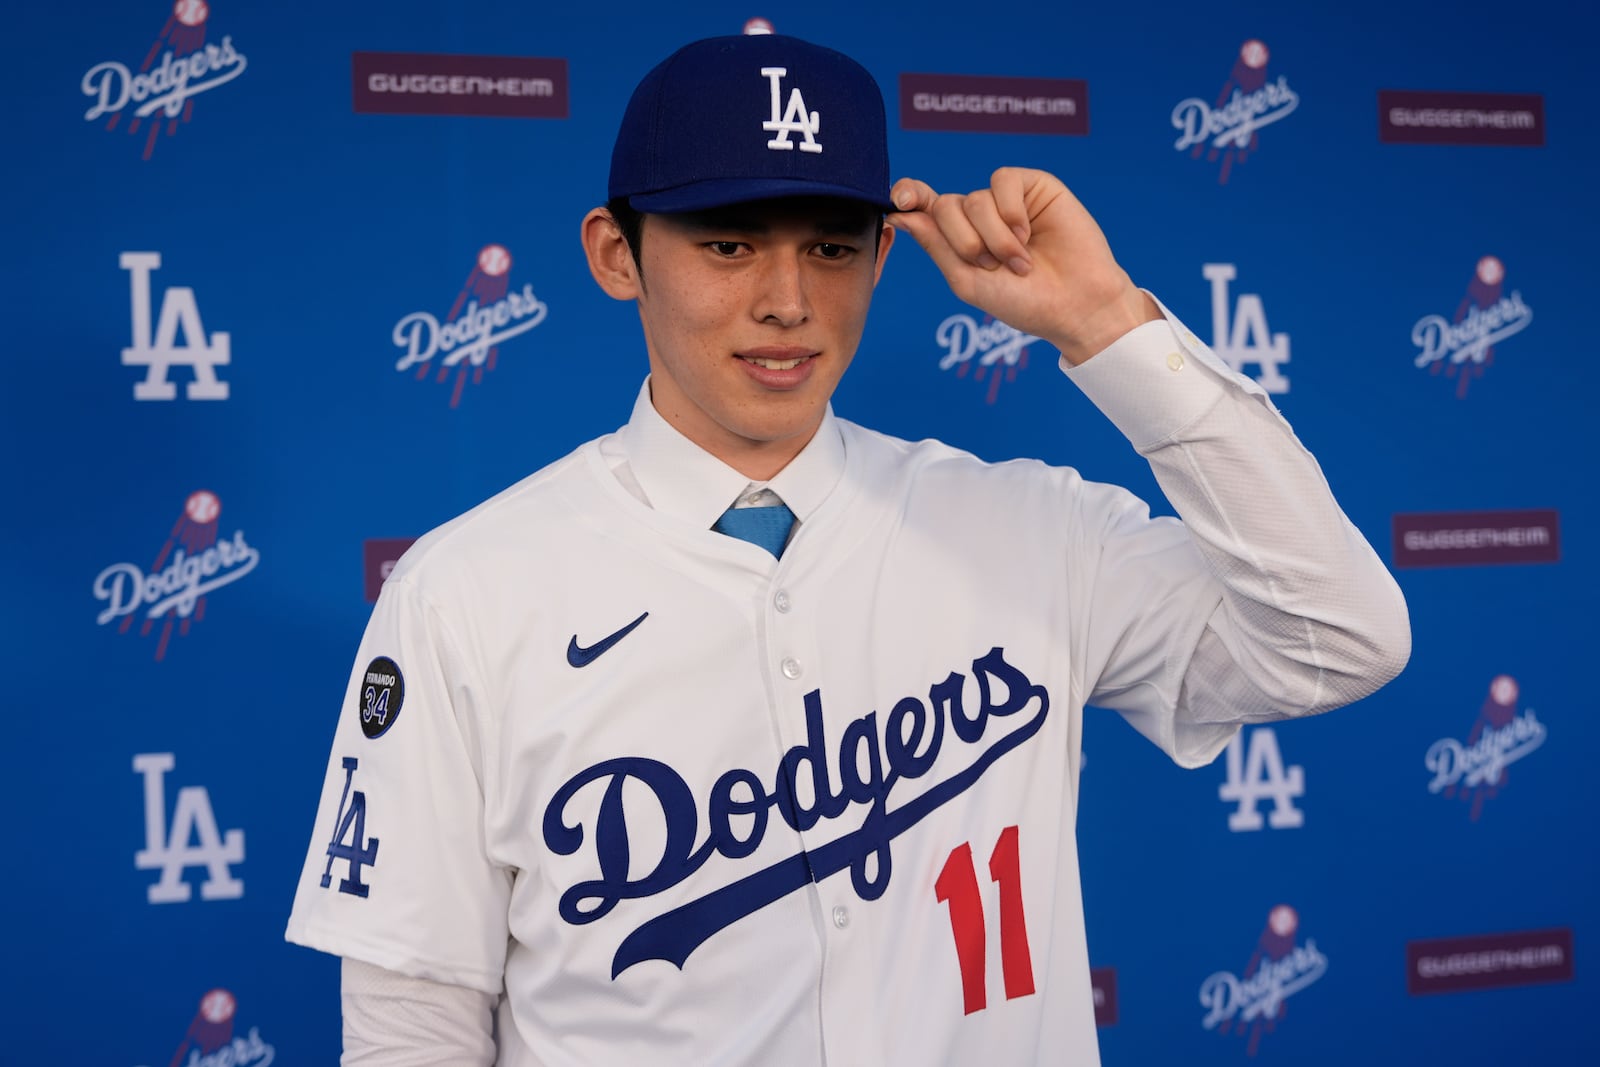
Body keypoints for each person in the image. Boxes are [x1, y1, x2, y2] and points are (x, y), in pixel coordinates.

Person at [286, 32, 1410, 1065]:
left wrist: (1107, 323)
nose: (787, 301)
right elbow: (413, 1025)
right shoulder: (469, 589)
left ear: (883, 254)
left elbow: (1338, 638)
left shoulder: (1031, 526)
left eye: (831, 246)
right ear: (615, 253)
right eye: (727, 241)